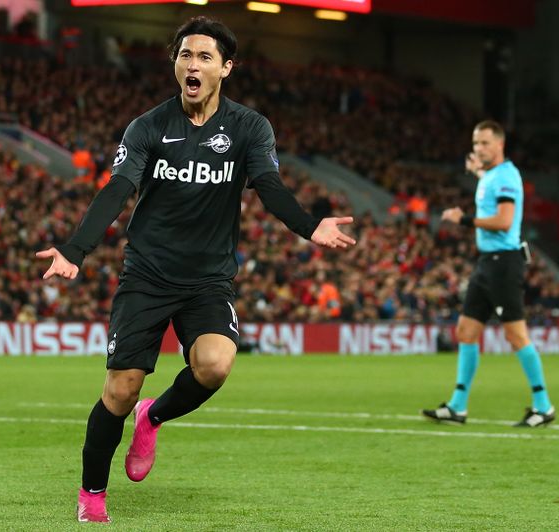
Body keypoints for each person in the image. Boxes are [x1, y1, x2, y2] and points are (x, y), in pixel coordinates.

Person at [36, 17, 357, 523]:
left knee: (215, 364)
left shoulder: (250, 127)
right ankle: (92, 492)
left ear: (225, 68)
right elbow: (118, 189)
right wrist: (76, 249)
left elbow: (269, 187)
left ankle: (154, 416)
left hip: (207, 278)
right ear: (175, 64)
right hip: (146, 273)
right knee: (120, 390)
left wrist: (308, 225)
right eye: (186, 55)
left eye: (205, 57)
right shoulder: (147, 127)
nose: (193, 64)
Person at [422, 120, 555, 428]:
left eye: (484, 143)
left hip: (504, 263)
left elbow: (505, 220)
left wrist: (463, 219)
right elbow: (492, 191)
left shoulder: (506, 176)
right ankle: (457, 406)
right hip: (488, 263)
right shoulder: (492, 176)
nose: (478, 148)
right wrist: (479, 172)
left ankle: (543, 404)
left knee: (515, 334)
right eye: (475, 143)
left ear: (499, 145)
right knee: (466, 332)